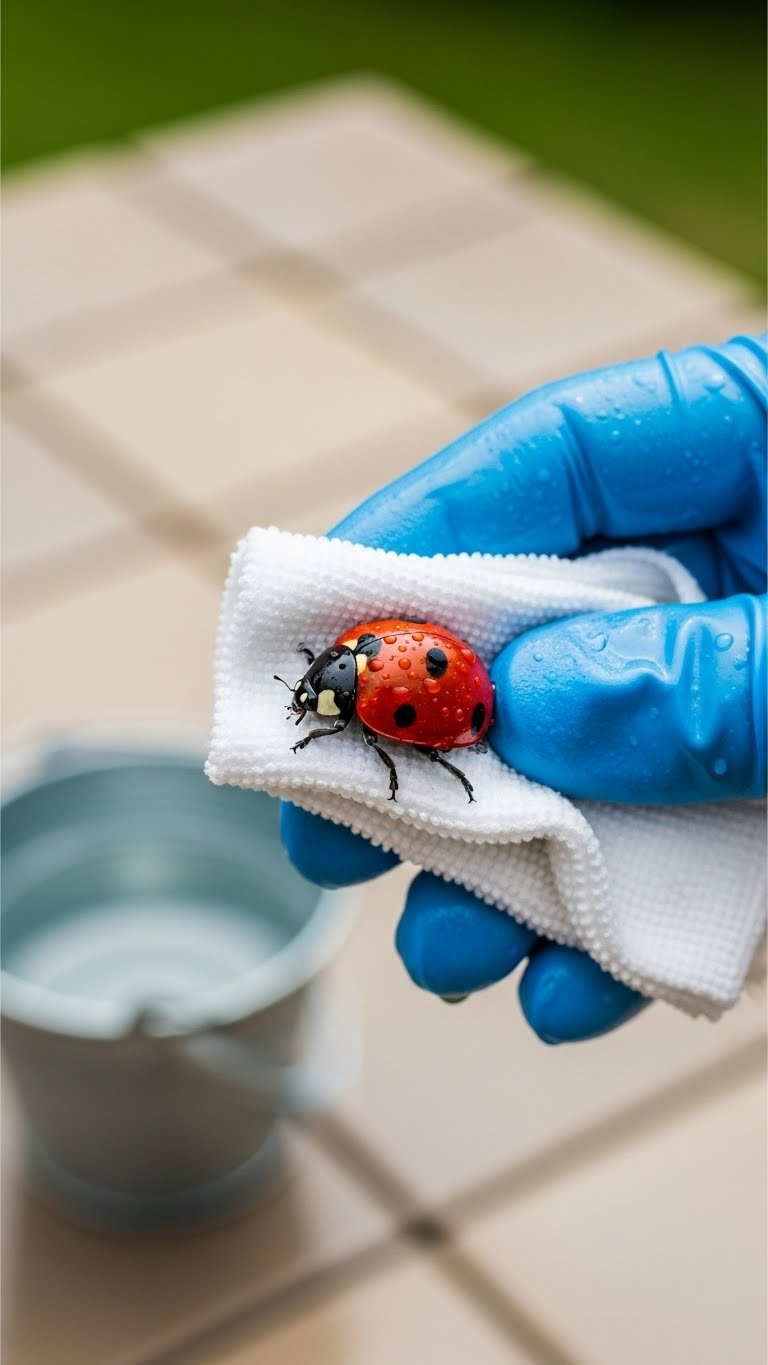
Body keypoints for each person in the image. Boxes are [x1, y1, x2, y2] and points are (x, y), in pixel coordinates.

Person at [281, 334, 767, 1043]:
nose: (316, 704)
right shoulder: (362, 661)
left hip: (472, 703)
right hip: (446, 686)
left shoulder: (364, 690)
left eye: (317, 698)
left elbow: (387, 727)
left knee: (528, 711)